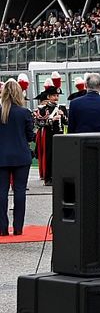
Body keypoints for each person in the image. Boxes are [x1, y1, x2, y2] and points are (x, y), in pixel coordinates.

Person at [0, 79, 33, 236]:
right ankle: (18, 227)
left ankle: (2, 228)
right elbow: (30, 136)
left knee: (1, 193)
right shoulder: (24, 112)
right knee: (20, 191)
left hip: (1, 156)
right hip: (21, 156)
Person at [33, 79, 66, 184]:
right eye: (54, 96)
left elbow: (67, 122)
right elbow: (39, 123)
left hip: (59, 135)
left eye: (57, 96)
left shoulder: (62, 108)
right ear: (49, 97)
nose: (56, 98)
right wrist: (52, 120)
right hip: (48, 135)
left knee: (60, 156)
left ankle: (59, 176)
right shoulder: (43, 109)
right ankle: (48, 178)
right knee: (49, 155)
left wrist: (63, 116)